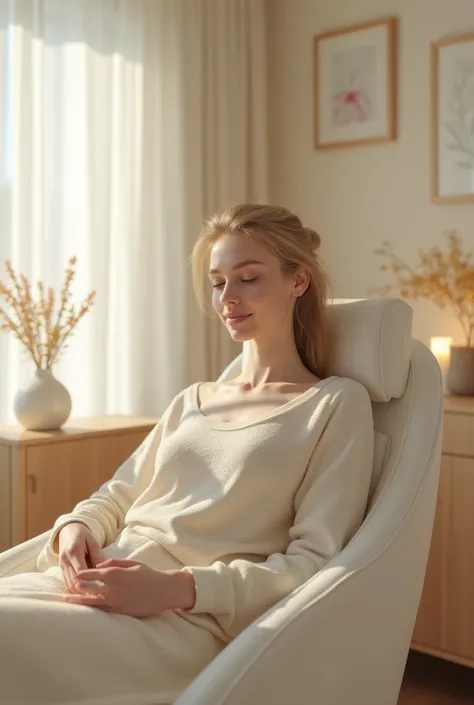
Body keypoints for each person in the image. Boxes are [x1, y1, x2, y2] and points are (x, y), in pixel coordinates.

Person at [0, 204, 374, 705]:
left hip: (184, 622)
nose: (228, 299)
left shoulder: (334, 405)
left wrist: (176, 588)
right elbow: (118, 495)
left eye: (247, 278)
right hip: (97, 582)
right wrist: (76, 529)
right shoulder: (194, 399)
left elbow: (313, 567)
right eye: (219, 282)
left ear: (298, 281)